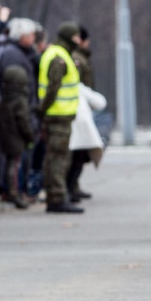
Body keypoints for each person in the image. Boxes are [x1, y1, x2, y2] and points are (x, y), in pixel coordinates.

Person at [38, 21, 84, 214]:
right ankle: (57, 197)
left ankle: (54, 196)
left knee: (55, 157)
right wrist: (43, 110)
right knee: (58, 158)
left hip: (58, 115)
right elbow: (53, 88)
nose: (79, 41)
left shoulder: (58, 54)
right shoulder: (59, 58)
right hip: (58, 115)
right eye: (76, 37)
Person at [0, 65, 35, 209]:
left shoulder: (5, 98)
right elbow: (23, 121)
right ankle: (14, 193)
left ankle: (10, 191)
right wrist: (30, 137)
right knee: (14, 166)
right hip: (17, 139)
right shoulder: (20, 100)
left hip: (7, 136)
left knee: (9, 164)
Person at [67, 25, 94, 202]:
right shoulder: (76, 59)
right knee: (77, 151)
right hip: (76, 109)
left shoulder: (80, 58)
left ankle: (73, 186)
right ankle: (71, 186)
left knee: (81, 151)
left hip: (80, 108)